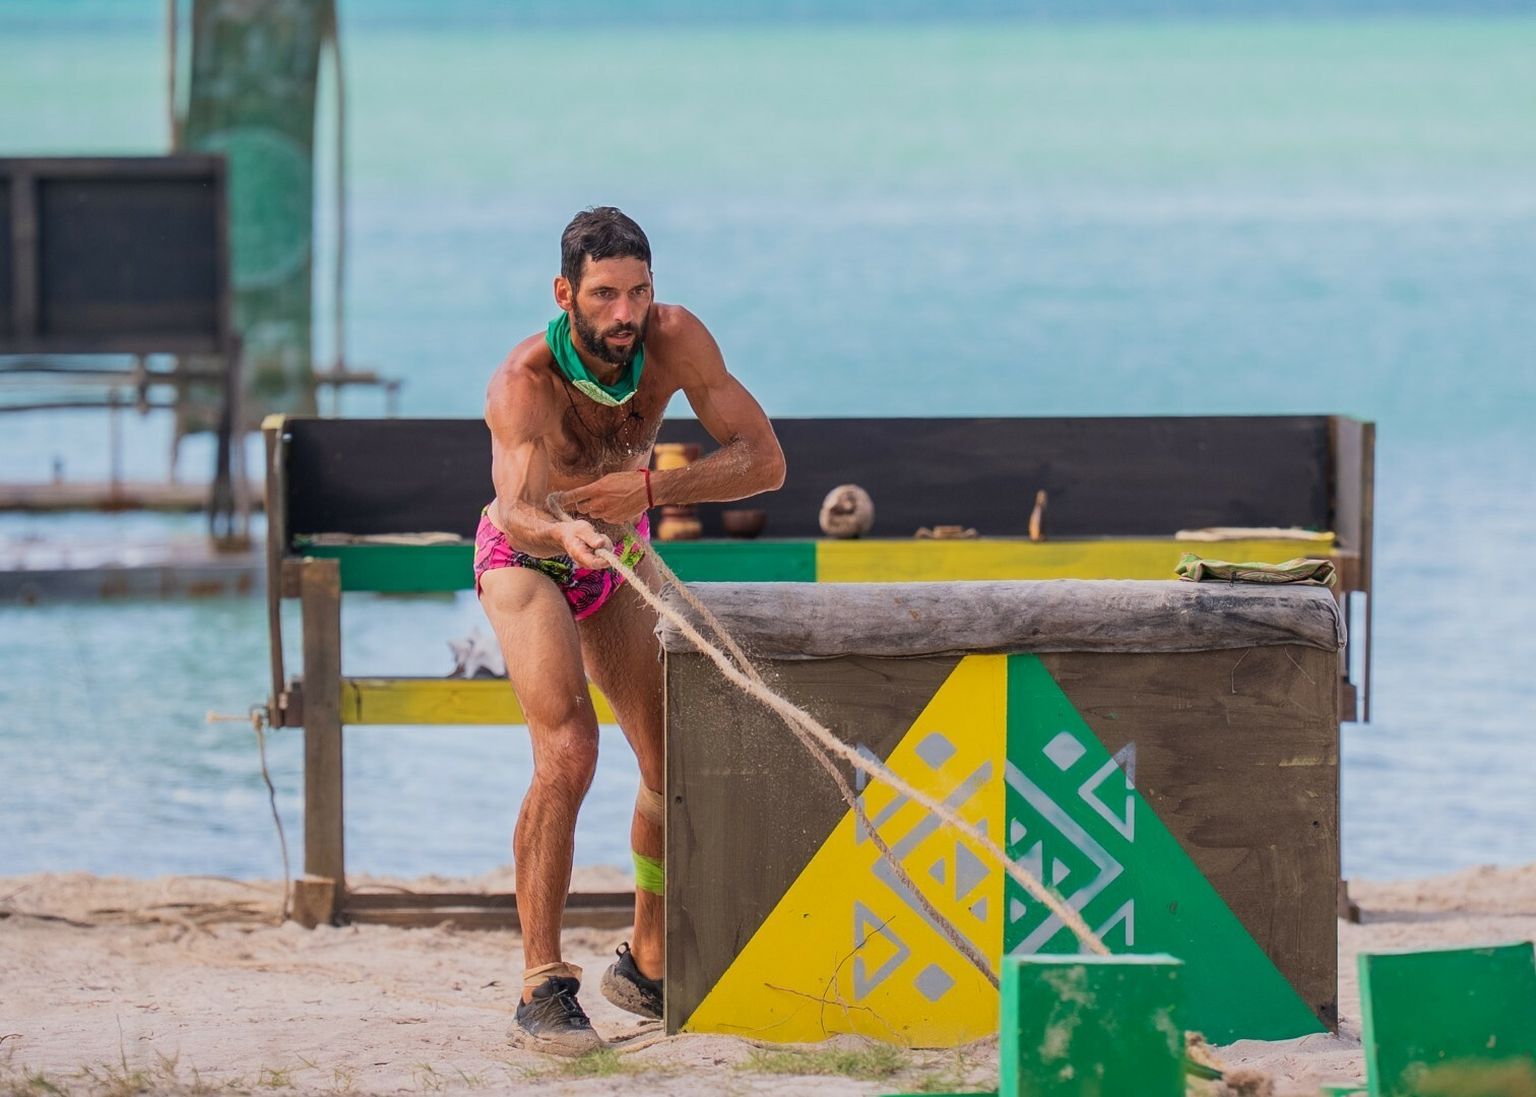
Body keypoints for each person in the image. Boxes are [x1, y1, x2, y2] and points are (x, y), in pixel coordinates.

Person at [476, 207, 785, 1054]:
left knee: (670, 762)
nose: (625, 313)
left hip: (618, 549)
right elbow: (515, 507)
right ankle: (542, 984)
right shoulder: (525, 380)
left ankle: (646, 960)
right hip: (528, 557)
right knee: (570, 750)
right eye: (605, 294)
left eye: (639, 292)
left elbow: (765, 460)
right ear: (564, 293)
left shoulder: (675, 339)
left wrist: (648, 491)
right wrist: (562, 529)